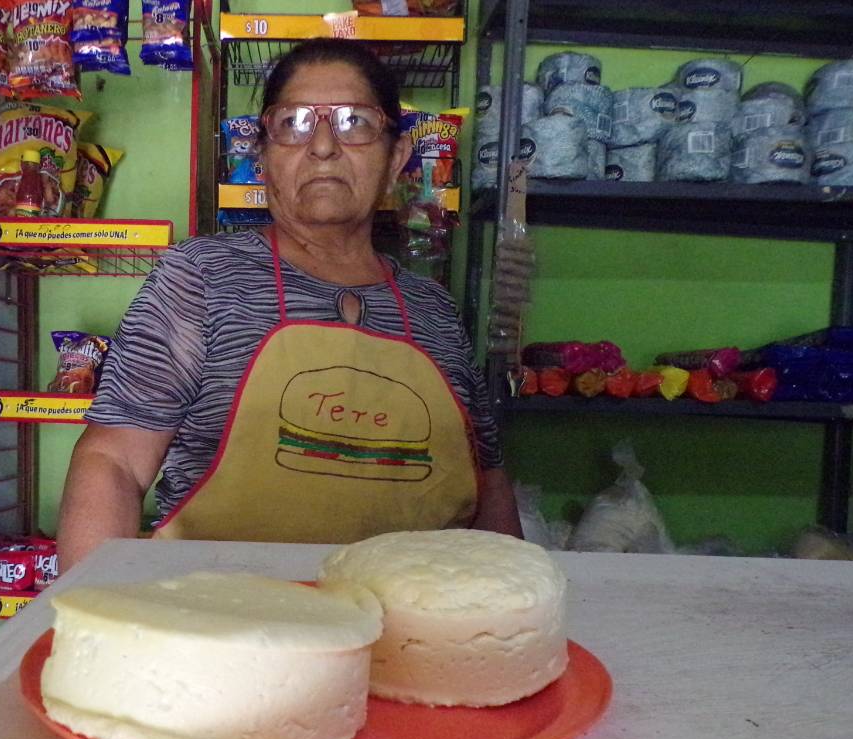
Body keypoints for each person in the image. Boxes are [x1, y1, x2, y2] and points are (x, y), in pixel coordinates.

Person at [58, 38, 521, 568]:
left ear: (396, 158)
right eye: (294, 124)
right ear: (262, 156)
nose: (323, 145)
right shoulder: (202, 278)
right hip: (220, 624)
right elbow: (113, 461)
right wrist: (87, 618)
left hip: (405, 631)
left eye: (354, 122)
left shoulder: (435, 313)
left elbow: (490, 491)